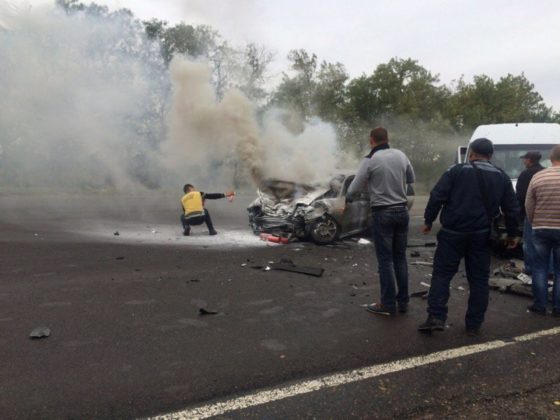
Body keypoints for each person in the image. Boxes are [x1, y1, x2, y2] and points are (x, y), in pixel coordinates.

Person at [418, 138, 520, 336]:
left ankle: (436, 317)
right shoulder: (502, 176)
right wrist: (512, 234)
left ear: (471, 153)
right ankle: (474, 324)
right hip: (481, 235)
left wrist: (428, 220)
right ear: (490, 155)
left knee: (442, 275)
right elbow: (511, 209)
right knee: (479, 280)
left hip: (452, 233)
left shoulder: (455, 171)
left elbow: (437, 196)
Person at [347, 127, 415, 315]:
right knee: (400, 258)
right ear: (387, 138)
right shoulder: (401, 155)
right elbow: (411, 178)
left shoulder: (370, 160)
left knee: (385, 261)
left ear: (372, 140)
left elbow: (353, 188)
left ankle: (388, 304)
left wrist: (351, 197)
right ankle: (403, 302)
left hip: (383, 213)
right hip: (402, 211)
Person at [525, 144, 560, 316]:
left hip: (541, 228)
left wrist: (534, 222)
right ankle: (558, 308)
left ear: (551, 158)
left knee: (539, 268)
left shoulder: (538, 176)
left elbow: (529, 204)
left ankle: (540, 305)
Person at [515, 151, 545, 274]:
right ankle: (550, 270)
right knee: (547, 245)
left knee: (529, 244)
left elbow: (521, 196)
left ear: (530, 160)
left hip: (531, 214)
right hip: (548, 215)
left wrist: (521, 212)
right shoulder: (545, 172)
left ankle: (530, 268)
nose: (523, 161)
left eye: (525, 159)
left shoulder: (526, 174)